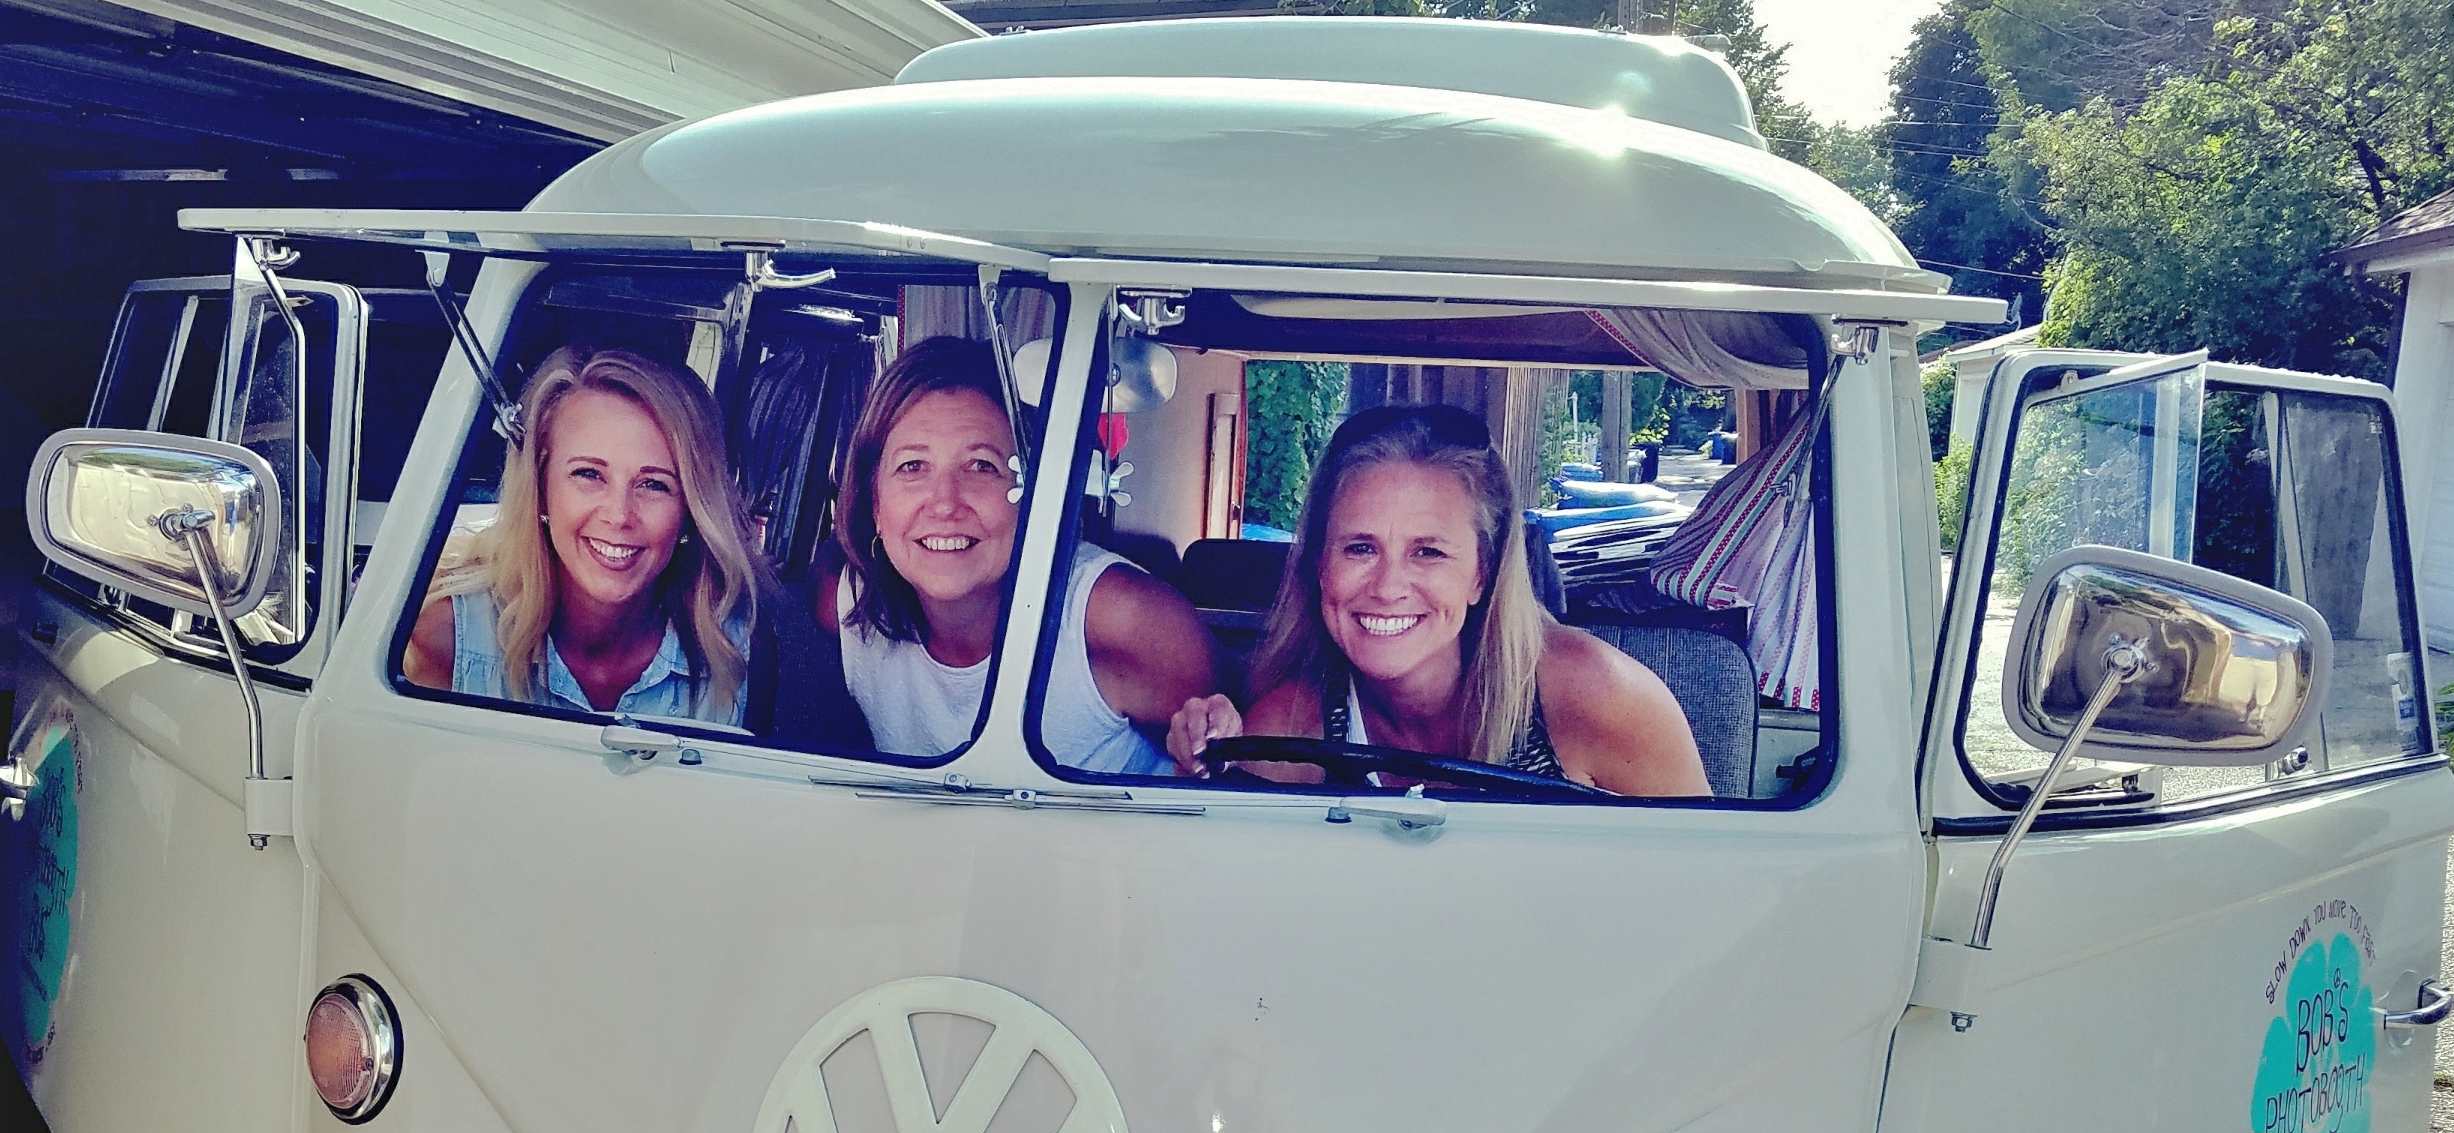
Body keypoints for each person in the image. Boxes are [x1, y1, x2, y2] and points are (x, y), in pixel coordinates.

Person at [1166, 405, 1710, 799]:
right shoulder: (1290, 727)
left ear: (1483, 575)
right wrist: (1208, 778)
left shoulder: (1594, 693)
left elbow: (1714, 885)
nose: (1386, 587)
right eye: (1360, 548)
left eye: (1428, 552)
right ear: (1318, 566)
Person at [818, 337, 1214, 773]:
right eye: (913, 467)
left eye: (981, 466)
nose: (946, 503)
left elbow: (1241, 772)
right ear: (874, 503)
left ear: (1033, 494)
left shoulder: (1122, 618)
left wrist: (1203, 746)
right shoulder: (845, 605)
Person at [405, 346, 758, 727]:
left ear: (691, 509)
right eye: (589, 474)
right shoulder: (444, 637)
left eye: (654, 484)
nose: (620, 515)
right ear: (540, 486)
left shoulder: (739, 648)